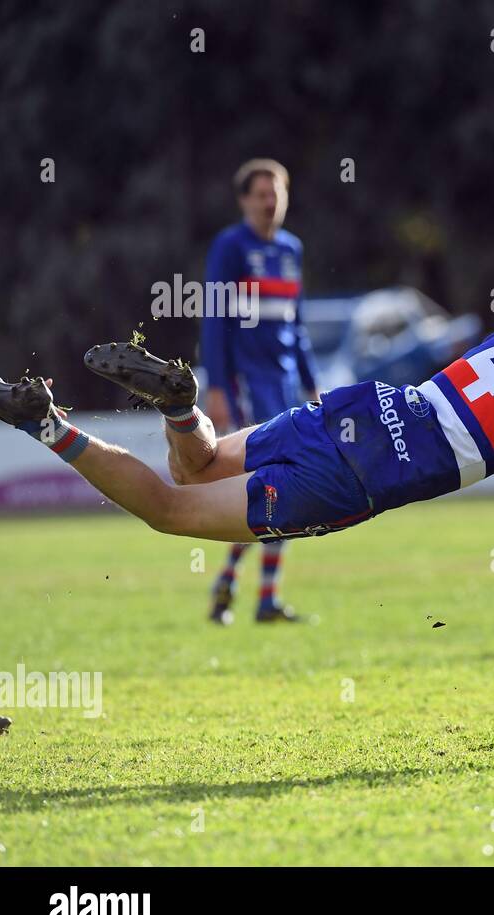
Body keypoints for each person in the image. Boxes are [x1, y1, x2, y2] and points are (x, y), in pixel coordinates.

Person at [0, 319, 494, 552]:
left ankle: (181, 407)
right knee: (170, 511)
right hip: (354, 478)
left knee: (194, 466)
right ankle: (47, 424)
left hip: (351, 411)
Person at [201, 159, 321, 622]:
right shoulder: (230, 247)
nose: (271, 202)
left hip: (287, 385)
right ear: (244, 201)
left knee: (281, 491)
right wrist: (217, 387)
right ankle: (255, 594)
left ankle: (240, 587)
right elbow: (215, 320)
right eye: (261, 194)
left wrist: (312, 385)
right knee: (276, 488)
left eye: (278, 193)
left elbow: (298, 324)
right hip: (249, 385)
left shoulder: (292, 249)